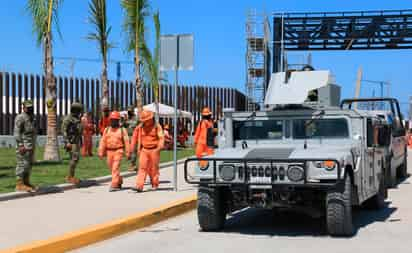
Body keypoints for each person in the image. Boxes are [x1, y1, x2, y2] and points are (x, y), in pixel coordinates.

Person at [130, 110, 164, 192]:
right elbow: (134, 137)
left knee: (154, 169)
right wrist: (132, 149)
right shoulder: (140, 127)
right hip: (144, 150)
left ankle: (155, 183)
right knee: (142, 168)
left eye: (147, 120)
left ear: (151, 118)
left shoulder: (157, 126)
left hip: (154, 150)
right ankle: (139, 186)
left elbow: (161, 137)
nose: (146, 122)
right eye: (144, 120)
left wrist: (159, 147)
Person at [98, 111, 130, 192]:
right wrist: (101, 151)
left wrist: (128, 152)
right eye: (112, 120)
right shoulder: (107, 130)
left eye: (115, 120)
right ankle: (119, 180)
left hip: (119, 150)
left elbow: (126, 141)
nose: (113, 121)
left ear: (118, 120)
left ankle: (114, 184)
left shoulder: (122, 130)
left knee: (115, 167)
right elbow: (103, 141)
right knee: (112, 168)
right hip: (109, 152)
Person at [14, 100, 37, 192]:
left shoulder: (32, 117)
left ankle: (26, 182)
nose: (30, 108)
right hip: (23, 145)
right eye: (28, 107)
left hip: (31, 145)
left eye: (31, 107)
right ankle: (19, 184)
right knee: (22, 164)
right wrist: (20, 145)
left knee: (29, 165)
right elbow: (16, 132)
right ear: (23, 107)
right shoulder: (20, 117)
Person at [62, 102, 84, 184]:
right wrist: (67, 142)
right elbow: (63, 131)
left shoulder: (77, 118)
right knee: (74, 158)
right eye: (79, 110)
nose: (80, 112)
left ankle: (72, 176)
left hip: (76, 141)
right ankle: (70, 177)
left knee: (76, 159)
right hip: (71, 142)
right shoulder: (68, 119)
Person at [124, 106, 139, 171]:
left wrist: (127, 122)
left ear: (133, 111)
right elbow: (123, 125)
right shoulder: (127, 118)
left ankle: (133, 165)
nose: (129, 112)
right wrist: (125, 121)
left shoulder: (136, 118)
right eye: (128, 111)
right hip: (128, 136)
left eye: (130, 111)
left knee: (133, 151)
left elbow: (134, 124)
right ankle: (132, 164)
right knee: (129, 151)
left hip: (134, 136)